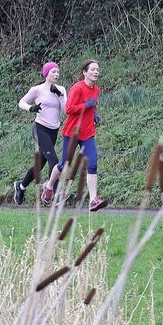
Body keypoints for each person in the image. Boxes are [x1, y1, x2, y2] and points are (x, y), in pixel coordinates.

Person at [42, 59, 106, 211]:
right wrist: (86, 105)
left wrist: (94, 113)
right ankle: (49, 186)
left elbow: (93, 104)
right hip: (72, 132)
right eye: (92, 70)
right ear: (85, 72)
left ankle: (93, 200)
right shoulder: (77, 88)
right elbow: (69, 109)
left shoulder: (96, 89)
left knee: (93, 163)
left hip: (88, 133)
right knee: (65, 164)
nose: (96, 72)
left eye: (97, 69)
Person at [11, 62, 67, 204]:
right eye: (53, 71)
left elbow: (66, 110)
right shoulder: (37, 89)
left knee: (39, 165)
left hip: (53, 130)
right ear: (46, 74)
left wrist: (60, 95)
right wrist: (31, 108)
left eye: (58, 72)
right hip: (40, 128)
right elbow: (21, 102)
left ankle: (21, 186)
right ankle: (54, 192)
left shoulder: (61, 89)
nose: (56, 74)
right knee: (54, 160)